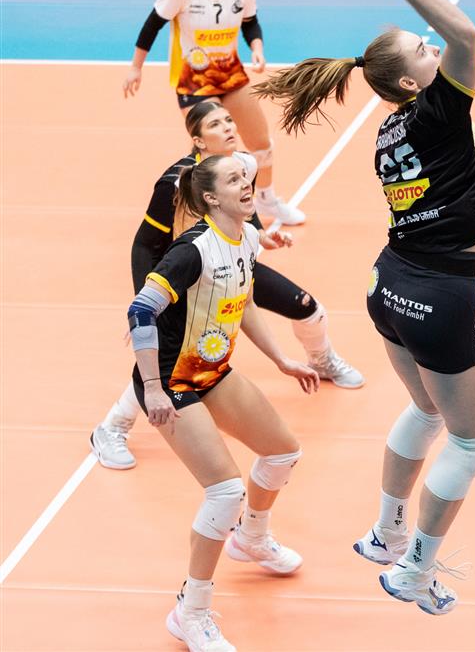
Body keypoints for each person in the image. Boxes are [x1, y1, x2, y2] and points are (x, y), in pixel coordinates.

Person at [256, 0, 475, 616]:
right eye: (424, 49)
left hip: (388, 286)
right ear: (415, 81)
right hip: (438, 299)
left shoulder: (391, 130)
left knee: (425, 408)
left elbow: (441, 211)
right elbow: (467, 35)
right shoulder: (439, 109)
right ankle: (415, 571)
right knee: (472, 438)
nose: (435, 45)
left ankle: (386, 533)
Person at [91, 102, 364, 471]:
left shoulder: (244, 165)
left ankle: (322, 360)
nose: (229, 127)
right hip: (187, 272)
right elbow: (144, 243)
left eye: (229, 120)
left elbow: (244, 215)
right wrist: (147, 299)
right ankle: (113, 427)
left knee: (305, 306)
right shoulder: (176, 182)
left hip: (232, 262)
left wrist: (261, 236)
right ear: (199, 141)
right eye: (216, 124)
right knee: (175, 355)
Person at [127, 154, 319, 652]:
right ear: (211, 197)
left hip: (211, 371)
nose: (246, 183)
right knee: (225, 491)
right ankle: (190, 613)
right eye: (234, 179)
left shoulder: (247, 236)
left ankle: (251, 538)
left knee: (282, 452)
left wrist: (282, 360)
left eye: (246, 176)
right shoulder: (191, 251)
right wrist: (152, 388)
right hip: (171, 380)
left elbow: (245, 303)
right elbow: (140, 310)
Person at [124, 0, 305, 226]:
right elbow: (151, 26)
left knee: (261, 144)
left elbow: (250, 23)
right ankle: (197, 213)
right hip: (194, 81)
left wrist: (257, 49)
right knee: (215, 152)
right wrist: (135, 68)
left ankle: (267, 199)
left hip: (230, 74)